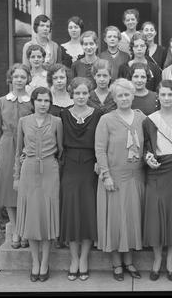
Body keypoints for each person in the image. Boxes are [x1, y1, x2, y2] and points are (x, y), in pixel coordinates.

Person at [95, 78, 146, 281]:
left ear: (133, 96)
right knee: (116, 221)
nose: (124, 98)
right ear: (114, 98)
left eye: (127, 94)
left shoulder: (142, 118)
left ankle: (130, 261)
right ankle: (117, 264)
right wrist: (105, 175)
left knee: (132, 220)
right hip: (114, 178)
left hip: (136, 178)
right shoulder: (106, 120)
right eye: (120, 95)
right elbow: (100, 149)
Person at [142, 80, 172, 282]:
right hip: (157, 170)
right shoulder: (149, 120)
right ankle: (156, 259)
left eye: (170, 95)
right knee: (155, 214)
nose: (167, 98)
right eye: (163, 95)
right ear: (158, 97)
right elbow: (145, 147)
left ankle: (170, 260)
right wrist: (148, 158)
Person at [13, 87, 63, 282]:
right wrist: (16, 176)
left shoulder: (57, 122)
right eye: (39, 100)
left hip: (50, 170)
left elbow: (61, 149)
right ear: (33, 102)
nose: (43, 104)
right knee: (32, 219)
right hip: (29, 170)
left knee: (47, 217)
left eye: (46, 100)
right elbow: (18, 152)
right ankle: (35, 261)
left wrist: (54, 166)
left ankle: (45, 262)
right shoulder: (23, 122)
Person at [59, 77, 102, 281]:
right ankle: (73, 258)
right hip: (69, 166)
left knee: (86, 211)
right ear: (72, 94)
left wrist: (100, 161)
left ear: (90, 93)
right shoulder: (63, 114)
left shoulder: (98, 114)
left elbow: (102, 142)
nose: (81, 97)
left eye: (85, 93)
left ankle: (84, 258)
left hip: (90, 165)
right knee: (71, 212)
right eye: (77, 93)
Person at [0, 63, 33, 250]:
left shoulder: (32, 101)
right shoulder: (2, 101)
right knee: (9, 187)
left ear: (28, 79)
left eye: (22, 77)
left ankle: (26, 229)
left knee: (27, 188)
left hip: (27, 146)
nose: (19, 80)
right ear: (10, 79)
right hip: (7, 146)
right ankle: (16, 229)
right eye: (16, 77)